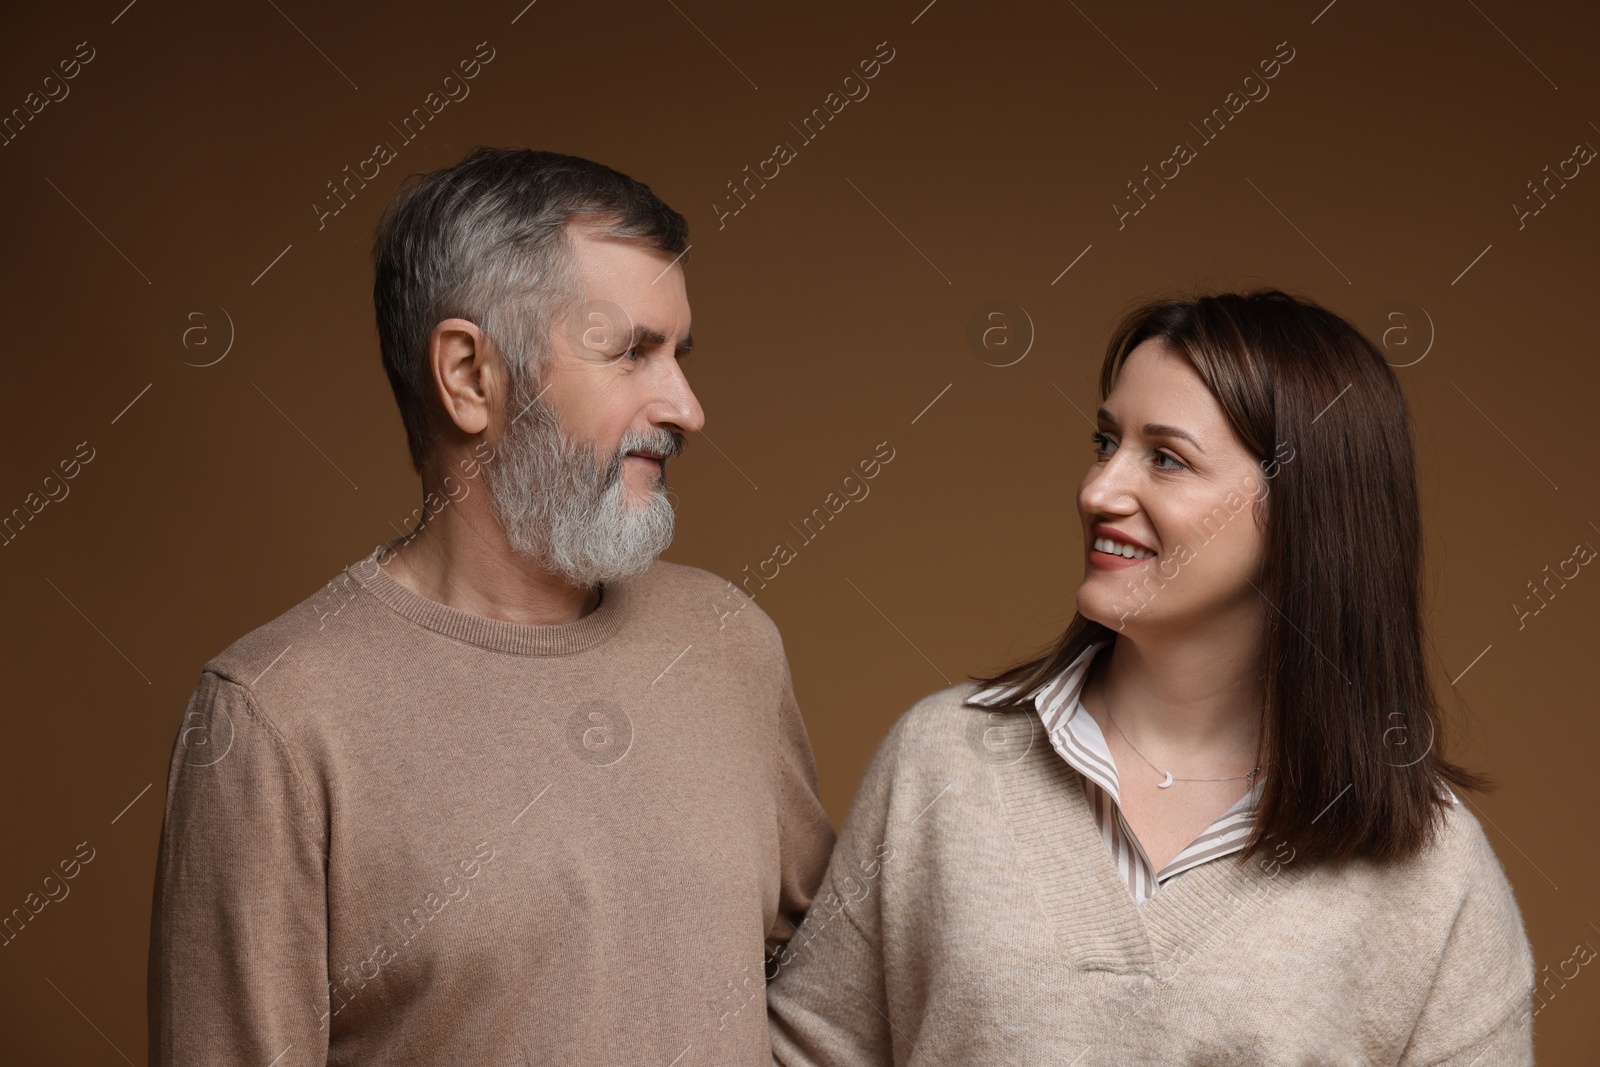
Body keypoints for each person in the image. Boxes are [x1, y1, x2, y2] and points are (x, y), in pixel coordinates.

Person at [148, 147, 835, 1066]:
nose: (687, 407)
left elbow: (834, 996)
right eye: (631, 350)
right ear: (470, 375)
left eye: (678, 354)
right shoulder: (270, 718)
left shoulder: (726, 641)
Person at [765, 290, 1535, 1064]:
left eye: (1166, 458)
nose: (1098, 491)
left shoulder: (1434, 871)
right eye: (1106, 442)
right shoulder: (941, 759)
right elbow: (807, 1049)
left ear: (1308, 508)